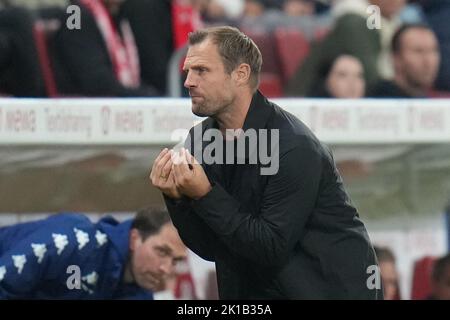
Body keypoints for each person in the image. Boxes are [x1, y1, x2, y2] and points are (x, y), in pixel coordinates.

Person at [150, 26, 382, 299]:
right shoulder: (201, 139)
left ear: (240, 74)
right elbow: (213, 248)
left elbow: (270, 246)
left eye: (201, 70)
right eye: (188, 71)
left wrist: (204, 195)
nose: (188, 81)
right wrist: (176, 199)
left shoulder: (294, 146)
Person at [0, 207, 187, 299]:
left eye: (176, 261)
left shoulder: (140, 295)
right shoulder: (72, 240)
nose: (166, 269)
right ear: (134, 238)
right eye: (161, 252)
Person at [54, 0, 158, 97]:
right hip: (81, 109)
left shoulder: (118, 15)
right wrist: (146, 96)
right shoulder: (74, 14)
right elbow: (96, 82)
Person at [369, 23, 440, 98]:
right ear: (396, 58)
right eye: (418, 51)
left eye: (433, 50)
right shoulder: (378, 101)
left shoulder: (430, 100)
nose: (428, 61)